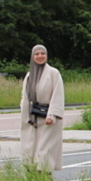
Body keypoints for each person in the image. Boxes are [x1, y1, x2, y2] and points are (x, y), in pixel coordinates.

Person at [20, 44, 66, 172]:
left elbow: (58, 95)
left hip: (47, 118)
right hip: (32, 118)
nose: (40, 56)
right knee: (31, 147)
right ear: (32, 56)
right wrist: (25, 116)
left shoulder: (53, 73)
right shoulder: (29, 76)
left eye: (43, 53)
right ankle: (32, 176)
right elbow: (24, 97)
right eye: (37, 54)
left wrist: (52, 115)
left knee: (45, 149)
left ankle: (45, 177)